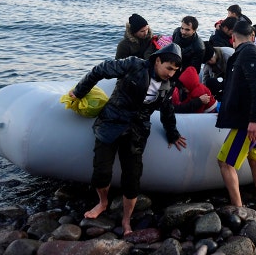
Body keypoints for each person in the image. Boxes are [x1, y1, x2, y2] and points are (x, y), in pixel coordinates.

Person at [68, 43, 187, 236]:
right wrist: (80, 91)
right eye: (168, 68)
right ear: (158, 60)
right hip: (112, 121)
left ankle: (126, 220)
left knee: (132, 178)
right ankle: (103, 203)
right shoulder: (134, 65)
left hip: (137, 130)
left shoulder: (168, 84)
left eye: (175, 70)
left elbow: (167, 110)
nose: (171, 74)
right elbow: (100, 70)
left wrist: (172, 133)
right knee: (101, 171)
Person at [216, 20, 256, 207]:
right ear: (252, 36)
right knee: (254, 158)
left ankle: (238, 208)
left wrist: (254, 120)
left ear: (232, 37)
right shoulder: (252, 52)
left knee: (225, 162)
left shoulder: (248, 53)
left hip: (250, 122)